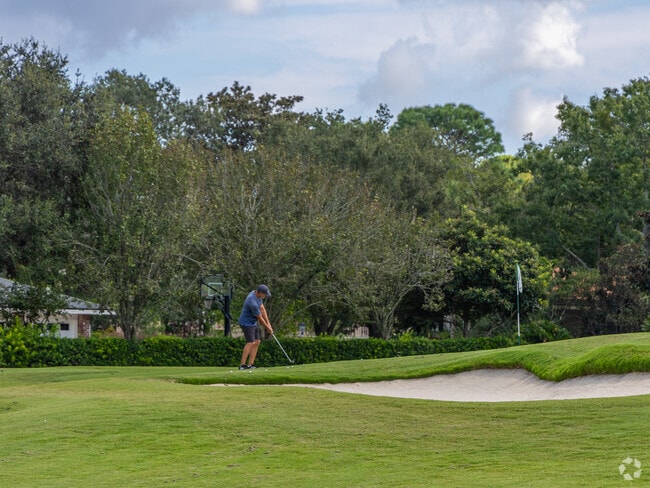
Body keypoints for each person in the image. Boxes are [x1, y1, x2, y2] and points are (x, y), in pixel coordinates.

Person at [238, 284, 273, 370]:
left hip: (252, 323)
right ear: (260, 293)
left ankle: (251, 364)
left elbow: (262, 309)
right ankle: (242, 365)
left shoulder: (257, 295)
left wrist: (269, 325)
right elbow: (260, 318)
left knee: (257, 342)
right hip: (246, 323)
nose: (265, 296)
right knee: (250, 342)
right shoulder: (252, 301)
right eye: (264, 294)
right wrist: (267, 328)